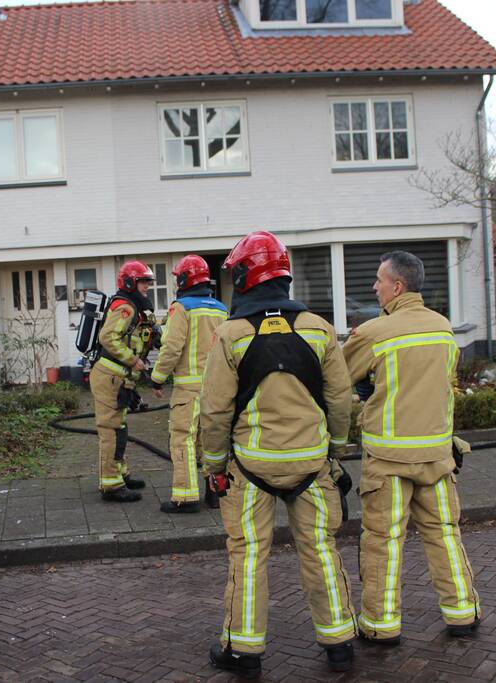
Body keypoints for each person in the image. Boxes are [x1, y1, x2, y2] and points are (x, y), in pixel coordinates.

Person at [200, 231, 356, 678]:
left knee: (248, 555)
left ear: (248, 275)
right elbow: (341, 399)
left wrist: (214, 466)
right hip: (312, 465)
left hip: (250, 469)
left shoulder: (230, 334)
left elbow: (214, 411)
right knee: (321, 550)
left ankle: (244, 651)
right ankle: (340, 642)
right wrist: (335, 451)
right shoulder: (320, 328)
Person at [343, 250, 480, 646]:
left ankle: (380, 625)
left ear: (397, 286)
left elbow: (334, 378)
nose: (374, 287)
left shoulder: (373, 332)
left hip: (389, 461)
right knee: (444, 535)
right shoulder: (442, 327)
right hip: (437, 457)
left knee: (383, 541)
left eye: (378, 280)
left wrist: (364, 387)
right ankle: (463, 613)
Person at [150, 255, 228, 513]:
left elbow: (172, 348)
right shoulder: (220, 308)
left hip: (188, 388)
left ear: (184, 279)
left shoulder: (181, 308)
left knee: (182, 439)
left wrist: (157, 377)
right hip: (217, 388)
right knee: (211, 440)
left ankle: (185, 497)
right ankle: (215, 494)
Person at [91, 260, 159, 502]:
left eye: (148, 282)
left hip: (119, 377)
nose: (147, 287)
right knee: (111, 430)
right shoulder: (125, 307)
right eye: (143, 282)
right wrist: (132, 360)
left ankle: (121, 475)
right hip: (111, 375)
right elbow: (107, 337)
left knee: (120, 428)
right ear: (130, 282)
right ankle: (111, 486)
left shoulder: (135, 308)